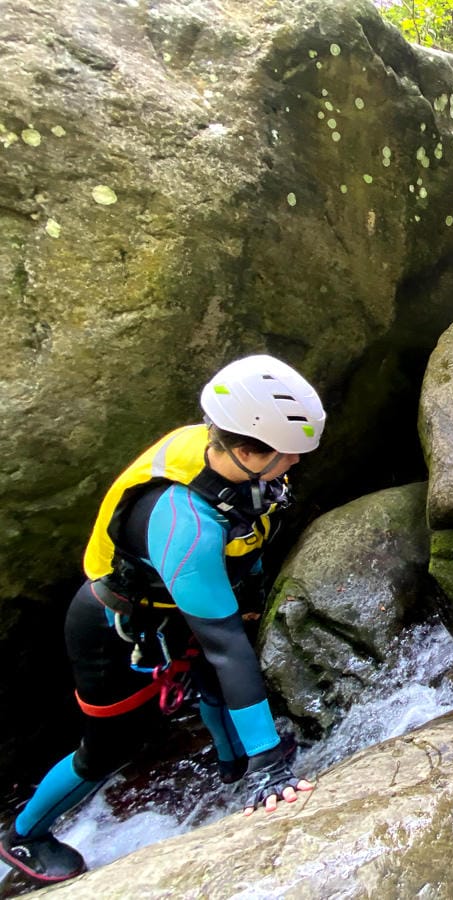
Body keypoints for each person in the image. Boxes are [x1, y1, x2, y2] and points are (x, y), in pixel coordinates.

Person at [0, 355, 325, 884]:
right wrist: (273, 768)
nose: (294, 463)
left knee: (217, 682)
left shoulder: (224, 454)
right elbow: (224, 645)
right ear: (245, 450)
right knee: (107, 748)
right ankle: (23, 836)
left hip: (175, 610)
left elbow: (244, 548)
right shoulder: (184, 522)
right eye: (288, 455)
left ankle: (232, 765)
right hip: (115, 630)